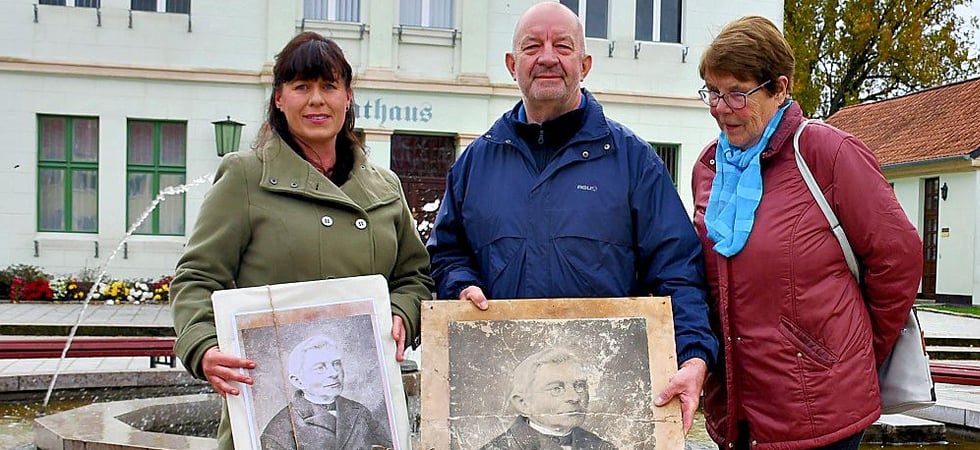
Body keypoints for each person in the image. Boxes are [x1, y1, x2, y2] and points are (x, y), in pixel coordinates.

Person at [426, 0, 716, 434]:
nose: (546, 57)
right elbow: (448, 252)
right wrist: (460, 284)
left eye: (562, 46)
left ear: (585, 63)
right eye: (532, 46)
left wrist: (694, 354)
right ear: (511, 64)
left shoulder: (633, 162)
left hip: (609, 407)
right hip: (506, 407)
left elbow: (676, 270)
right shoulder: (475, 165)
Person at [170, 31, 432, 450]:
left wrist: (402, 313)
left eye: (329, 85)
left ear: (348, 97)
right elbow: (197, 277)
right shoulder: (245, 175)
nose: (316, 100)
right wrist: (203, 346)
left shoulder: (385, 184)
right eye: (301, 87)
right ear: (279, 98)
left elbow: (415, 276)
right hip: (264, 412)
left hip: (368, 419)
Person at [690, 16, 923, 450]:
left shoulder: (826, 153)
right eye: (713, 92)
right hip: (739, 408)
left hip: (820, 410)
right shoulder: (709, 167)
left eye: (737, 94)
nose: (720, 107)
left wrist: (850, 352)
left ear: (779, 89)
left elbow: (900, 257)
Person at [261, 334, 392, 450]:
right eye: (320, 368)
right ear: (298, 381)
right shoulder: (279, 429)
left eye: (336, 364)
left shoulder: (360, 412)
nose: (334, 373)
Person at [482, 348, 615, 450]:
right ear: (523, 404)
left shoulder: (602, 447)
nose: (574, 397)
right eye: (556, 389)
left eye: (579, 386)